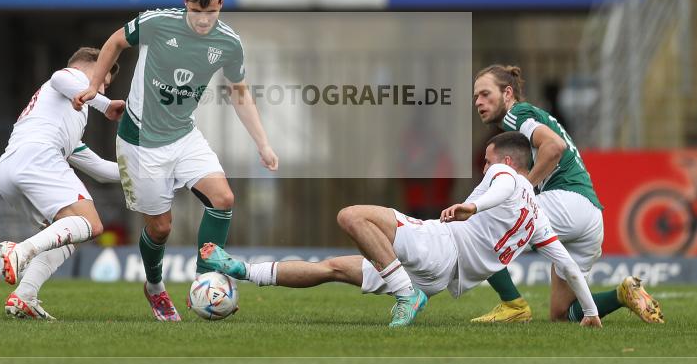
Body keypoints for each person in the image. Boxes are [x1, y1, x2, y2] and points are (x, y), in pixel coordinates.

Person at [200, 132, 602, 328]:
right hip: (443, 276)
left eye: (486, 159)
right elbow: (566, 264)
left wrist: (472, 205)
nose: (484, 165)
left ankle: (406, 296)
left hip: (439, 245)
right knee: (333, 268)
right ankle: (242, 271)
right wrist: (589, 311)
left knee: (351, 216)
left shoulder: (507, 174)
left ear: (505, 161)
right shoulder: (539, 219)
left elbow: (501, 187)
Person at [73, 0, 278, 322]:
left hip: (184, 136)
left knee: (223, 199)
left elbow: (239, 92)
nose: (203, 20)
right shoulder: (157, 22)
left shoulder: (228, 42)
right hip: (141, 142)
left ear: (220, 5)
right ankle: (154, 287)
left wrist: (263, 143)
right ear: (186, 4)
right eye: (197, 13)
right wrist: (94, 85)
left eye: (210, 12)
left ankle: (205, 279)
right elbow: (114, 42)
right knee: (161, 228)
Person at [472, 64, 663, 324]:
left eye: (485, 94)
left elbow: (554, 146)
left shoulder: (516, 113)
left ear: (507, 93)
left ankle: (512, 305)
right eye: (476, 97)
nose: (479, 102)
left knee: (481, 227)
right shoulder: (531, 117)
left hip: (565, 201)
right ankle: (623, 294)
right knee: (561, 314)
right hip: (590, 216)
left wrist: (524, 187)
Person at [0, 47, 125, 320]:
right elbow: (59, 78)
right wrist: (104, 103)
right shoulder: (72, 78)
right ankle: (21, 250)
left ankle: (24, 296)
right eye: (103, 81)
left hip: (10, 169)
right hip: (38, 157)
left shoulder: (63, 115)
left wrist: (150, 175)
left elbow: (100, 169)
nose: (102, 87)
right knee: (92, 224)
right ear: (94, 66)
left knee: (69, 233)